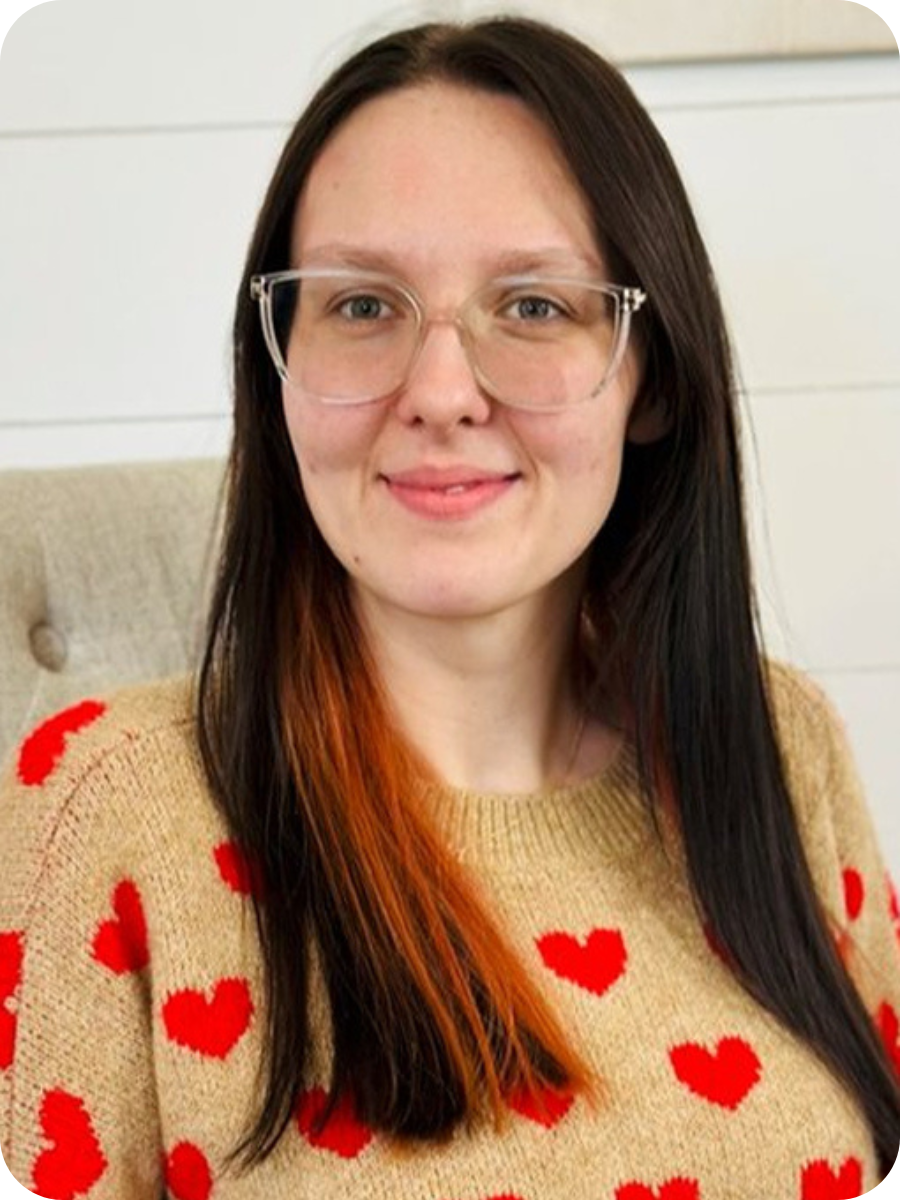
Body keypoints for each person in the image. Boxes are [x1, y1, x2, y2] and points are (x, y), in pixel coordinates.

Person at [1, 15, 898, 1198]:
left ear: (652, 380)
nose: (439, 391)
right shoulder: (106, 809)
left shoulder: (776, 742)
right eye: (362, 306)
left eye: (533, 306)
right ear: (278, 372)